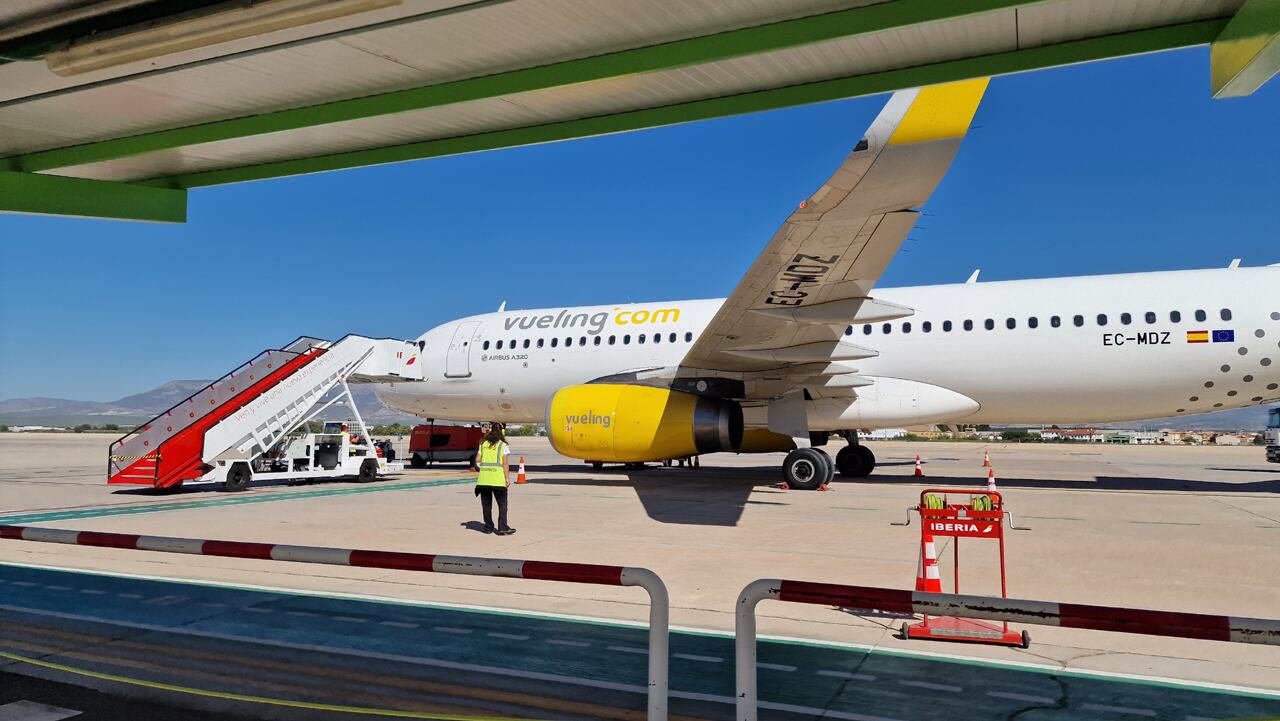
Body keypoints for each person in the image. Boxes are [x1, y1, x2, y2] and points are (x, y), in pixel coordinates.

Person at [474, 422, 515, 535]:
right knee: (502, 504)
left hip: (484, 480)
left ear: (491, 430)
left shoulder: (483, 443)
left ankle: (488, 527)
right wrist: (507, 478)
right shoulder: (503, 445)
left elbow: (477, 460)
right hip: (498, 480)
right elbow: (505, 463)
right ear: (502, 432)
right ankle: (502, 527)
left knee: (486, 505)